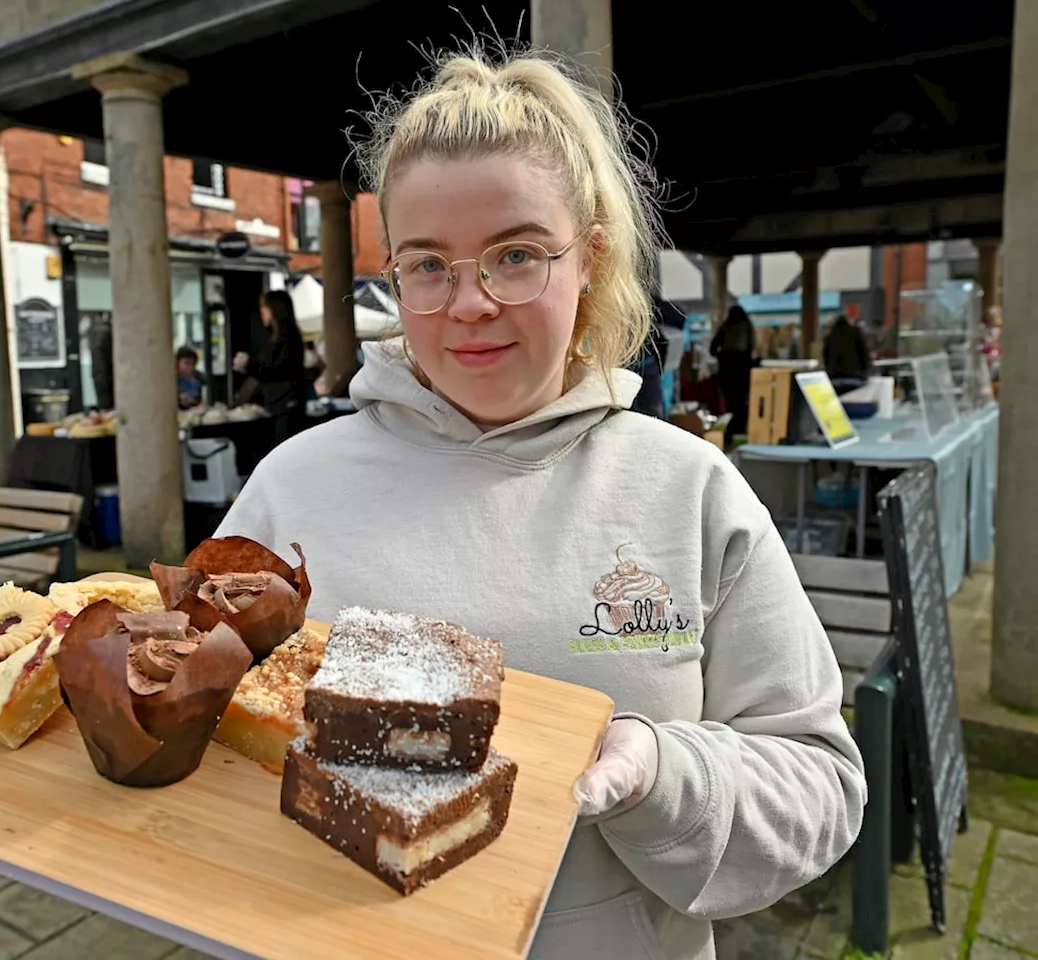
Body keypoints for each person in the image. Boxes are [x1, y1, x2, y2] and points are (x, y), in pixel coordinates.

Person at [214, 46, 863, 960]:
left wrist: (662, 774)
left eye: (516, 255)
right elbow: (212, 739)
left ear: (589, 258)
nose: (469, 302)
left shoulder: (689, 491)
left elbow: (820, 784)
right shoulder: (290, 486)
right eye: (428, 265)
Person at [233, 290, 308, 444]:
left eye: (265, 307)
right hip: (279, 404)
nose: (262, 311)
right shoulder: (277, 336)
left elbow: (278, 370)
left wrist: (250, 365)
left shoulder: (288, 336)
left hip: (286, 405)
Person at [708, 304, 755, 444]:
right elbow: (751, 347)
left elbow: (713, 347)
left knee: (729, 401)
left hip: (727, 366)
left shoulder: (726, 326)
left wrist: (721, 355)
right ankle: (740, 429)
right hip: (742, 365)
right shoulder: (747, 326)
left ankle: (729, 431)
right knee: (741, 401)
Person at [823, 312, 872, 390]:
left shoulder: (830, 336)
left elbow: (826, 357)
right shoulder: (856, 333)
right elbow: (865, 354)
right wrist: (865, 373)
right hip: (855, 377)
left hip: (835, 378)